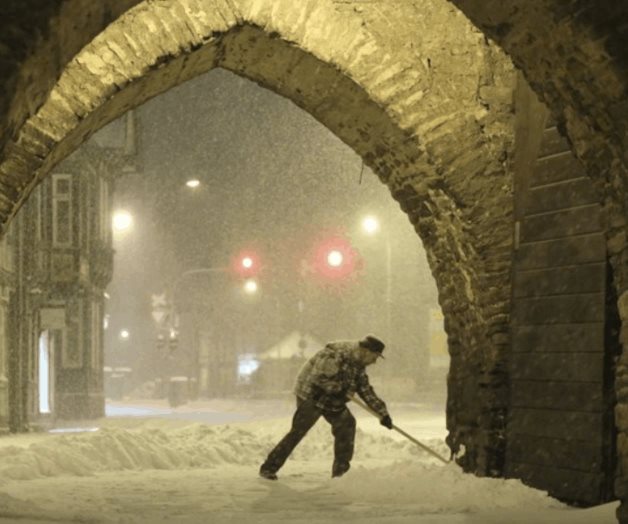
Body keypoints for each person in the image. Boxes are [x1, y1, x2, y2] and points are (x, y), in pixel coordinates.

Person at [259, 335, 393, 480]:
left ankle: (340, 474)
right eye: (375, 356)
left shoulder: (359, 366)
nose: (374, 361)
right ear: (366, 351)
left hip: (334, 399)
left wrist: (383, 414)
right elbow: (318, 378)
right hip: (311, 395)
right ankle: (268, 468)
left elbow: (366, 391)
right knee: (299, 430)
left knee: (347, 425)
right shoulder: (335, 355)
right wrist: (337, 387)